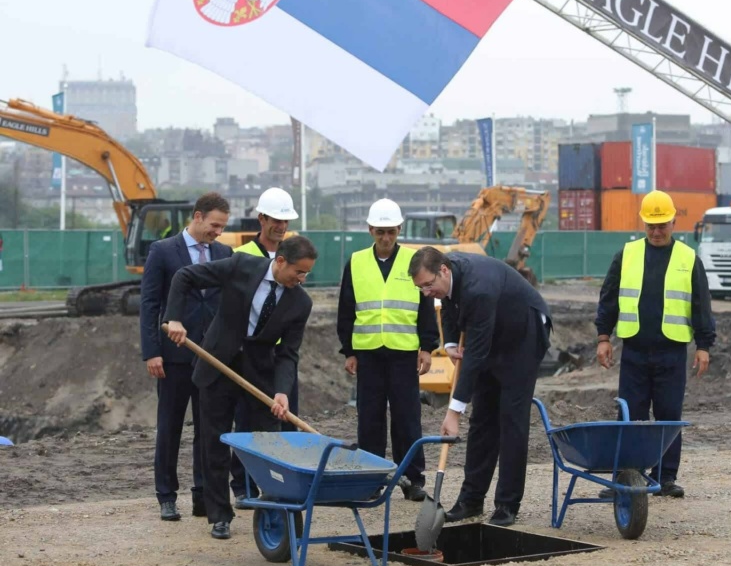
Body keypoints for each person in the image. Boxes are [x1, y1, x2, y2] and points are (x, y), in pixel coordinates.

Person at [164, 235, 318, 540]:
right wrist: (175, 319)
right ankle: (219, 515)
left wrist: (282, 391)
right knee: (215, 442)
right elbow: (184, 277)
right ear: (281, 261)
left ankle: (274, 507)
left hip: (259, 374)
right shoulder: (241, 266)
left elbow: (288, 353)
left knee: (268, 443)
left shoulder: (301, 302)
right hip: (217, 364)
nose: (301, 279)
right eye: (298, 272)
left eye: (306, 274)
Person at [409, 247, 550, 528]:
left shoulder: (479, 288)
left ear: (444, 270)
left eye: (428, 285)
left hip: (523, 333)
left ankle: (507, 504)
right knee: (483, 419)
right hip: (492, 330)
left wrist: (454, 411)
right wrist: (449, 342)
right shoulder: (448, 275)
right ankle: (471, 500)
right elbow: (448, 304)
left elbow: (476, 353)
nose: (426, 292)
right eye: (420, 288)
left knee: (511, 418)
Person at [594, 190, 715, 499]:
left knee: (668, 415)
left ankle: (666, 477)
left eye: (663, 226)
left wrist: (704, 345)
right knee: (630, 415)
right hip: (634, 350)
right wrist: (604, 337)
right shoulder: (628, 254)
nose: (657, 232)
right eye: (652, 226)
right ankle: (628, 477)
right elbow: (609, 298)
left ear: (674, 222)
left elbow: (701, 304)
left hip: (672, 352)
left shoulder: (688, 258)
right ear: (644, 224)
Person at [336, 199, 439, 503]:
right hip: (368, 353)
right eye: (380, 232)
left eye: (391, 231)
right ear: (370, 230)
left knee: (407, 418)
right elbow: (346, 309)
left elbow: (425, 305)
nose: (385, 237)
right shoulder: (355, 262)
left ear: (398, 230)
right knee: (369, 418)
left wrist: (427, 347)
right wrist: (349, 352)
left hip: (404, 353)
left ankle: (413, 478)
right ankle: (371, 478)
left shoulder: (412, 261)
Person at [139, 192, 231, 522]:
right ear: (197, 216)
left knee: (208, 430)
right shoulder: (163, 251)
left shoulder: (223, 253)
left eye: (222, 227)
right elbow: (149, 305)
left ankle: (202, 495)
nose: (217, 232)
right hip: (174, 357)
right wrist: (152, 352)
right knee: (170, 428)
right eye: (214, 225)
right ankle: (166, 495)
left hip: (210, 357)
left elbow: (224, 304)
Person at [232, 186, 300, 508]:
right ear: (261, 218)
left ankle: (277, 482)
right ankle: (242, 484)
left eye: (285, 221)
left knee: (278, 419)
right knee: (244, 420)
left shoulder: (292, 255)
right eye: (275, 220)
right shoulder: (243, 254)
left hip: (276, 354)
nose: (281, 227)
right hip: (246, 350)